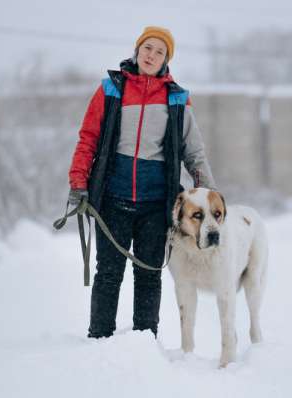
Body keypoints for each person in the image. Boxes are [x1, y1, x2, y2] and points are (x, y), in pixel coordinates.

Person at [67, 26, 216, 338]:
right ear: (137, 50)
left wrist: (209, 194)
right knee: (108, 273)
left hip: (155, 204)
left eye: (160, 52)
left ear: (166, 60)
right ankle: (99, 337)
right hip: (112, 200)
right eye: (148, 48)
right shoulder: (111, 89)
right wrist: (78, 181)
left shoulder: (177, 98)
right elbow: (88, 138)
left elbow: (194, 151)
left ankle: (145, 342)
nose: (152, 55)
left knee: (148, 274)